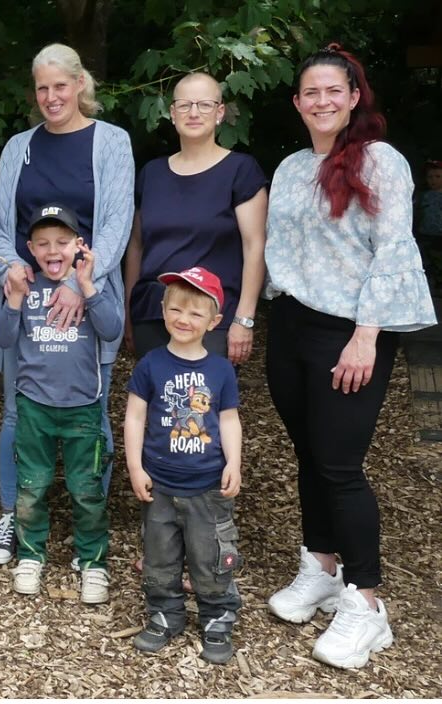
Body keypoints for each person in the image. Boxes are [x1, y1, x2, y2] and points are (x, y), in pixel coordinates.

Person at [264, 45, 436, 670]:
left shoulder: (379, 161)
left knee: (340, 465)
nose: (322, 102)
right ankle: (323, 566)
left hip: (352, 329)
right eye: (310, 93)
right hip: (291, 324)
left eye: (333, 91)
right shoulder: (288, 169)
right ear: (297, 103)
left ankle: (367, 605)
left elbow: (392, 248)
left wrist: (367, 333)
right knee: (308, 453)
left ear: (354, 95)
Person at [0, 43, 134, 565]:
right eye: (43, 88)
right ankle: (14, 516)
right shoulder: (18, 148)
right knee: (15, 415)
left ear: (80, 85)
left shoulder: (111, 142)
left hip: (88, 300)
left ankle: (87, 524)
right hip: (27, 305)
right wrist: (11, 268)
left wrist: (77, 282)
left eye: (61, 86)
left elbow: (115, 223)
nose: (52, 97)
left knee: (92, 417)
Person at [0, 204, 119, 603]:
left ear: (78, 246)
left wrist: (88, 285)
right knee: (32, 486)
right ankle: (31, 556)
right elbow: (5, 339)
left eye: (63, 242)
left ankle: (93, 561)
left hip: (83, 406)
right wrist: (13, 300)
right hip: (34, 406)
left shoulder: (86, 286)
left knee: (86, 488)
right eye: (43, 243)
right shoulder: (25, 287)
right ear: (29, 248)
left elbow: (113, 328)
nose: (53, 250)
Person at [124, 267, 243, 665]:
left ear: (214, 321)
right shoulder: (151, 365)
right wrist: (135, 467)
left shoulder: (221, 370)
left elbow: (228, 420)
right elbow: (135, 418)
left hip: (208, 486)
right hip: (159, 484)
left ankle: (217, 617)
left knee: (210, 557)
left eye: (195, 313)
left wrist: (235, 464)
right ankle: (165, 613)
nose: (183, 319)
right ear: (163, 310)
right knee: (159, 558)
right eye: (176, 309)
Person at [124, 72, 267, 363]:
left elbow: (255, 246)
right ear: (172, 113)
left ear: (220, 112)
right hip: (153, 314)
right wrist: (129, 313)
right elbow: (136, 246)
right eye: (185, 105)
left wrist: (244, 318)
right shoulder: (151, 174)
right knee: (156, 405)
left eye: (204, 104)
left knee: (202, 405)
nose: (193, 112)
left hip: (213, 317)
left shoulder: (240, 171)